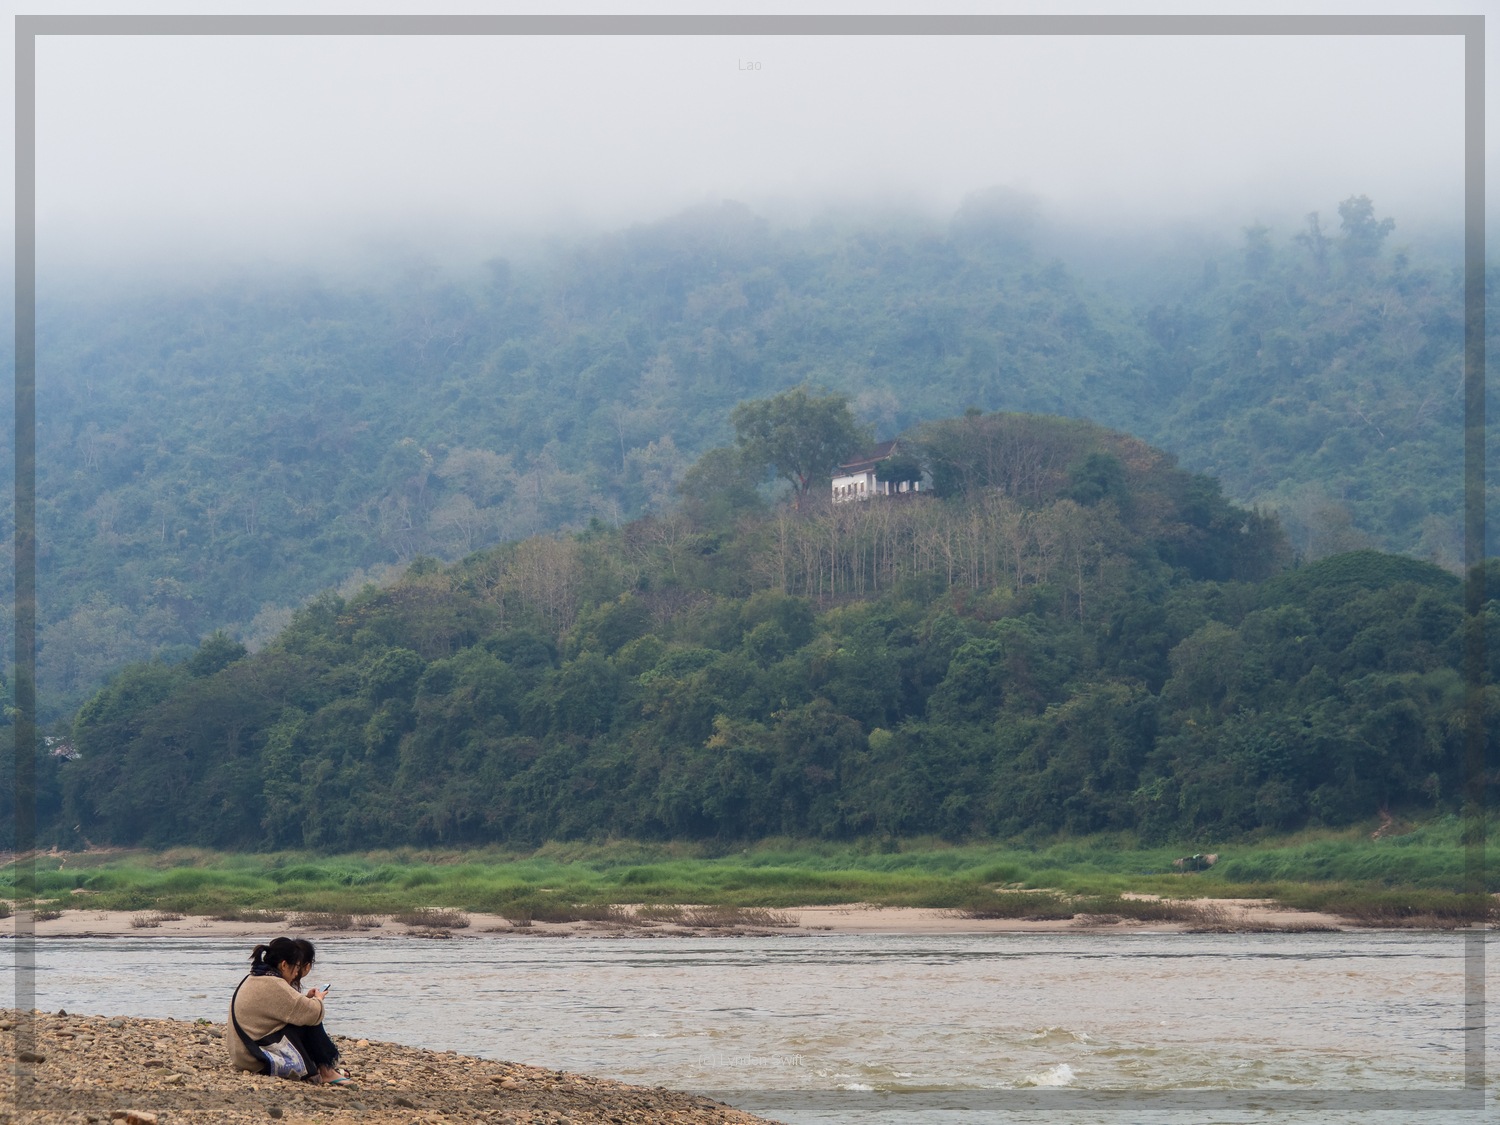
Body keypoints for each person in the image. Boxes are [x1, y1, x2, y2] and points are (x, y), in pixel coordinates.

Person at [227, 936, 351, 1085]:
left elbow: (288, 1008)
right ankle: (326, 1072)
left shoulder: (255, 977)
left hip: (242, 1053)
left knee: (303, 1015)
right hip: (255, 1057)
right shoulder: (274, 983)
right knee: (310, 1020)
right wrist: (318, 999)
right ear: (284, 965)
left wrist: (307, 999)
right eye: (296, 967)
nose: (296, 973)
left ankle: (324, 1069)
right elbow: (312, 1013)